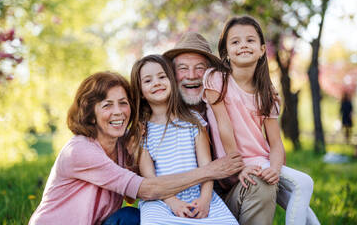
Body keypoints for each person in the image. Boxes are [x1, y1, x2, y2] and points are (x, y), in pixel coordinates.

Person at [29, 71, 244, 225]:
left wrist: (136, 150)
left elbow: (132, 197)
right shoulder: (79, 151)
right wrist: (211, 171)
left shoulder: (121, 148)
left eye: (123, 103)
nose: (118, 112)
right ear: (90, 115)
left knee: (134, 217)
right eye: (107, 105)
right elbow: (147, 190)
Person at [203, 15, 319, 225]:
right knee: (304, 184)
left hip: (263, 161)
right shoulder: (216, 78)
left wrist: (274, 169)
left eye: (250, 40)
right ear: (226, 52)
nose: (243, 46)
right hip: (238, 161)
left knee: (295, 197)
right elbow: (224, 126)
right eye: (235, 42)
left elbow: (275, 143)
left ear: (262, 49)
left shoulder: (268, 93)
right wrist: (238, 167)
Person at [164, 31, 277, 224]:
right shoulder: (160, 115)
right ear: (172, 74)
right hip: (173, 205)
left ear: (210, 73)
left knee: (259, 183)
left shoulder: (227, 104)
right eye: (183, 68)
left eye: (200, 68)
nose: (191, 76)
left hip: (226, 196)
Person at [131, 54, 238, 224]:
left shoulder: (193, 121)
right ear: (141, 92)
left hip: (198, 193)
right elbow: (150, 179)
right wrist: (173, 202)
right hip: (162, 199)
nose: (156, 83)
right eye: (148, 81)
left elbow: (208, 168)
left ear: (171, 81)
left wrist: (205, 199)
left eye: (162, 77)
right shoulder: (143, 132)